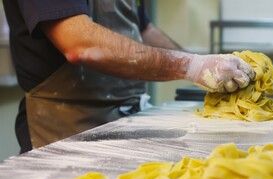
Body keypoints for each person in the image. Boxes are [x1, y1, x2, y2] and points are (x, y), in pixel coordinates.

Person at [2, 0, 255, 154]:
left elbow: (143, 29)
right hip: (65, 131)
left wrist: (208, 66)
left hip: (125, 121)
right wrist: (192, 66)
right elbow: (77, 42)